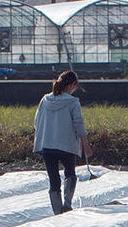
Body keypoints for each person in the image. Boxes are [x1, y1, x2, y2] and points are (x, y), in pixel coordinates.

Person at [33, 70, 90, 214]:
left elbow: (36, 121)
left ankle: (57, 212)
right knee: (70, 173)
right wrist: (86, 144)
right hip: (67, 144)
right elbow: (79, 125)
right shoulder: (73, 102)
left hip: (47, 145)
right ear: (71, 85)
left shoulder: (45, 100)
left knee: (53, 179)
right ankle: (67, 204)